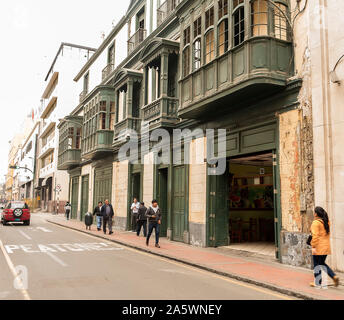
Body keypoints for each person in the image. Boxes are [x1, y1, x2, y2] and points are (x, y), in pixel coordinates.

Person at [310, 206, 339, 288]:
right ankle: (334, 276)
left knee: (317, 265)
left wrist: (314, 247)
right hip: (326, 247)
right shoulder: (326, 222)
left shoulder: (315, 223)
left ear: (315, 214)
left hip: (318, 247)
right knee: (321, 263)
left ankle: (317, 283)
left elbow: (315, 236)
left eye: (314, 212)